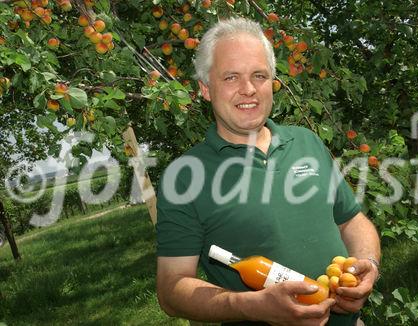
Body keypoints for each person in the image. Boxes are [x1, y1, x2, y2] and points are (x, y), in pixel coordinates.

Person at [156, 17, 380, 326]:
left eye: (259, 75)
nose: (248, 89)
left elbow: (351, 220)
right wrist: (249, 306)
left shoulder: (307, 141)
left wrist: (367, 262)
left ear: (272, 82)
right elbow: (171, 289)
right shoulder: (182, 177)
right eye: (231, 77)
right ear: (205, 89)